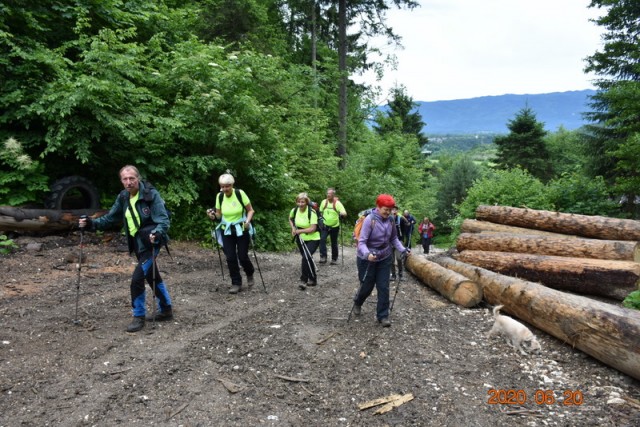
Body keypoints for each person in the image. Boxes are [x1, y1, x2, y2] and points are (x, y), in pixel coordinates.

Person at [79, 165, 173, 333]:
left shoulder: (151, 195)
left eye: (132, 178)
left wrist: (157, 234)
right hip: (137, 244)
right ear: (121, 181)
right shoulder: (123, 197)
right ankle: (166, 309)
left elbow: (163, 220)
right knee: (152, 276)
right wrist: (91, 224)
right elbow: (110, 218)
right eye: (125, 179)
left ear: (138, 178)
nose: (128, 182)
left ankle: (139, 317)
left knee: (137, 279)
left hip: (151, 244)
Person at [353, 194, 410, 327]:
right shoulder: (369, 220)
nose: (388, 212)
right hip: (367, 258)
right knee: (367, 286)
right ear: (378, 207)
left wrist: (402, 249)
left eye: (390, 209)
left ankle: (383, 316)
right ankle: (358, 301)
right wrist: (367, 254)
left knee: (383, 286)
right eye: (386, 209)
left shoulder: (391, 220)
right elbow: (361, 242)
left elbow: (394, 238)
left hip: (384, 256)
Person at [207, 173, 255, 294]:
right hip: (226, 229)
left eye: (227, 186)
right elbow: (219, 215)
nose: (224, 189)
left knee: (243, 256)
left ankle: (250, 272)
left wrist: (247, 221)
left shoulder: (240, 193)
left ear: (232, 185)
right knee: (230, 257)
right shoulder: (220, 196)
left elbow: (250, 210)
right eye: (222, 186)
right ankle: (236, 283)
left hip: (241, 228)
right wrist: (212, 215)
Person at [289, 192, 320, 290]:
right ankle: (313, 279)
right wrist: (293, 228)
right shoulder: (294, 211)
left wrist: (299, 231)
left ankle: (303, 280)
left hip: (313, 238)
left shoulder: (312, 212)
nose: (300, 204)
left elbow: (313, 229)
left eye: (302, 202)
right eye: (298, 202)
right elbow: (290, 219)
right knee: (307, 258)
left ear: (306, 202)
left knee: (305, 257)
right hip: (301, 238)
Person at [318, 188, 347, 265]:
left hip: (335, 226)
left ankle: (334, 259)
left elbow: (344, 212)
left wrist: (342, 214)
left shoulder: (337, 203)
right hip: (325, 225)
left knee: (333, 242)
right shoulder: (324, 202)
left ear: (333, 195)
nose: (328, 195)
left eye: (330, 194)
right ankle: (323, 257)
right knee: (322, 240)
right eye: (327, 193)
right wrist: (321, 220)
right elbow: (320, 212)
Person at [390, 207, 407, 281]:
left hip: (399, 241)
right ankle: (393, 275)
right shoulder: (387, 219)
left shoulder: (401, 219)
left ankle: (400, 274)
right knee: (391, 260)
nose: (394, 211)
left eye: (395, 210)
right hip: (389, 242)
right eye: (392, 209)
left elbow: (405, 229)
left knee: (399, 258)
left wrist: (402, 240)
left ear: (397, 211)